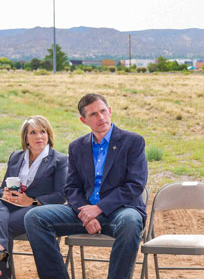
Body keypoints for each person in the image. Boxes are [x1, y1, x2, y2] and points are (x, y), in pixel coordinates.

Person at [25, 93, 148, 279]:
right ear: (84, 120)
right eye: (93, 115)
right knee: (34, 217)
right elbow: (72, 187)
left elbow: (135, 185)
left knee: (131, 222)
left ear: (110, 111)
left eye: (103, 111)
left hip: (120, 211)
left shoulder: (133, 141)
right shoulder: (77, 146)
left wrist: (98, 209)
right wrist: (86, 215)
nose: (101, 118)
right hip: (83, 211)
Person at [0, 116, 67, 278]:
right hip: (9, 206)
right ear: (25, 137)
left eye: (42, 131)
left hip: (36, 210)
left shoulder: (59, 160)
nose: (39, 136)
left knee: (4, 224)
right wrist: (5, 193)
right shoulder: (16, 157)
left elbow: (61, 195)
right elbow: (2, 189)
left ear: (48, 134)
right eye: (33, 132)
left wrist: (32, 201)